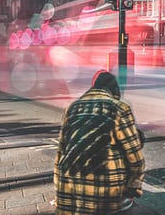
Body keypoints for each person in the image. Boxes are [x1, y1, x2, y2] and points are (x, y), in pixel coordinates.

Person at [54, 70, 145, 215]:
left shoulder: (71, 108)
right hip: (104, 195)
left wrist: (59, 185)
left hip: (68, 191)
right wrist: (133, 187)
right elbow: (135, 158)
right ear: (114, 91)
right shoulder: (120, 108)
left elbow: (61, 151)